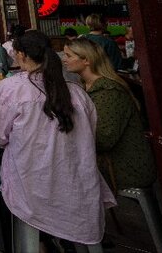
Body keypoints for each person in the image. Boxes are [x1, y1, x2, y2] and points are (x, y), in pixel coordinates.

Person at [0, 31, 115, 248]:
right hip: (77, 186)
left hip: (31, 186)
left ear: (21, 55)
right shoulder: (77, 92)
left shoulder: (13, 88)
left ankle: (42, 243)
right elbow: (89, 135)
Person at [62, 38, 155, 190]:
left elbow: (103, 139)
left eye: (69, 55)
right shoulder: (88, 86)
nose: (64, 60)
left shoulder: (109, 91)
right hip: (109, 163)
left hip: (125, 168)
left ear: (86, 60)